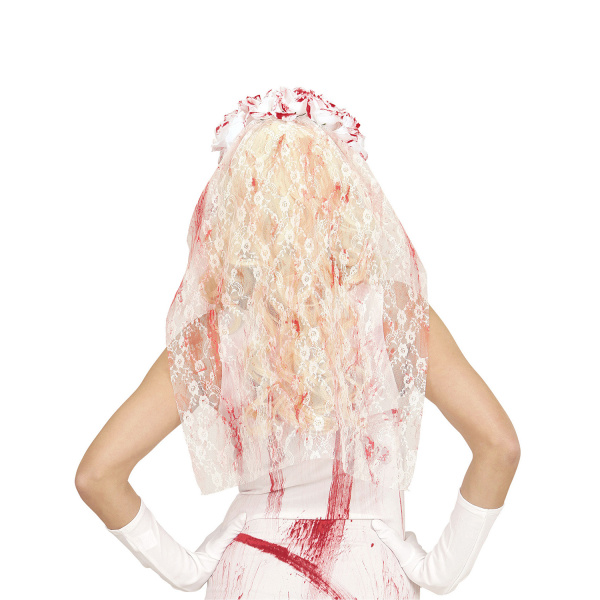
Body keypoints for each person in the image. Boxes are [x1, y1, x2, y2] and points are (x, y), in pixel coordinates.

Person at [75, 87, 520, 599]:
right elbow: (499, 446)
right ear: (344, 198)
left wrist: (188, 569)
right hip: (366, 570)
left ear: (236, 211)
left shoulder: (213, 337)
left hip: (251, 568)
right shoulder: (393, 313)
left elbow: (98, 474)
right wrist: (441, 571)